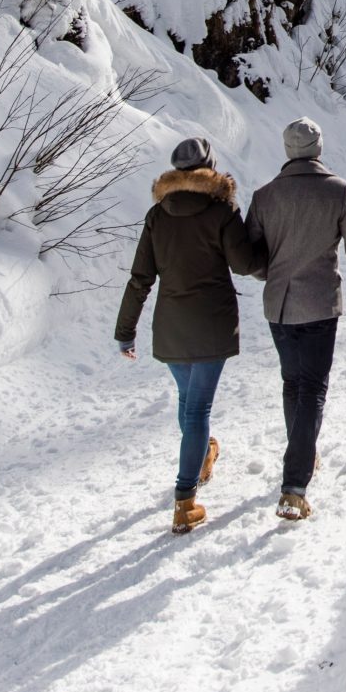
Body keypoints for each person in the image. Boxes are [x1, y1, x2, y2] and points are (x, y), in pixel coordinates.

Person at [115, 136, 265, 534]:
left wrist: (125, 331)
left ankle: (201, 458)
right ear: (209, 168)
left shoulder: (157, 215)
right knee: (197, 410)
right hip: (212, 322)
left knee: (188, 402)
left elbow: (140, 278)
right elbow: (244, 263)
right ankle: (185, 501)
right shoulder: (222, 210)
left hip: (171, 324)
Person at [244, 117, 346, 521]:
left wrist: (271, 274)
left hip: (280, 308)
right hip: (321, 304)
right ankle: (295, 486)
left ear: (288, 151)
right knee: (313, 389)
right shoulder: (338, 191)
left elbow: (252, 256)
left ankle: (300, 453)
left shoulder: (265, 196)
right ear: (318, 149)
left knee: (293, 383)